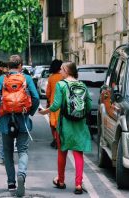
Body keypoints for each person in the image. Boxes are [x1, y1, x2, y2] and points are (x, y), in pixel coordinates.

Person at [0, 55, 39, 197]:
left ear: (8, 66)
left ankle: (11, 183)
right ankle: (21, 174)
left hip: (6, 120)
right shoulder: (26, 79)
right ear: (21, 66)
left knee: (8, 152)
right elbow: (35, 98)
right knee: (23, 150)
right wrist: (30, 112)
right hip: (22, 119)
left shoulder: (1, 79)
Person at [38, 62, 92, 195]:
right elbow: (89, 106)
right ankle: (78, 184)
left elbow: (55, 106)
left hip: (65, 124)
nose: (60, 72)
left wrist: (44, 112)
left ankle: (61, 181)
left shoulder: (61, 85)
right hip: (79, 124)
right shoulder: (82, 85)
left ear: (67, 71)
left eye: (62, 70)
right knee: (78, 153)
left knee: (62, 152)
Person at [46, 59, 63, 149]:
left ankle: (56, 139)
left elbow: (48, 93)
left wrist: (48, 101)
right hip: (64, 104)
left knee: (53, 124)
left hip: (54, 104)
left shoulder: (51, 78)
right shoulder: (64, 77)